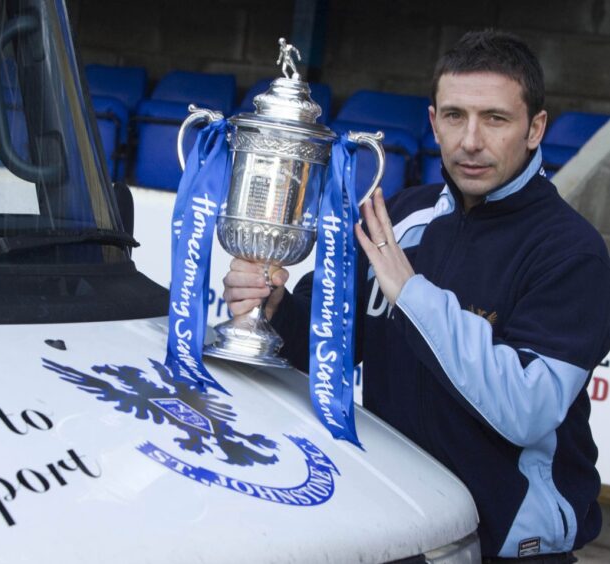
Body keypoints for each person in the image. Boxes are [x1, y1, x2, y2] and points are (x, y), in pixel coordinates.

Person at [223, 29, 610, 561]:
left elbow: (527, 409)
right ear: (433, 122)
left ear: (535, 128)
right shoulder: (400, 216)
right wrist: (271, 308)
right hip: (399, 527)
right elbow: (320, 348)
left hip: (510, 545)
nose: (470, 140)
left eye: (495, 118)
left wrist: (412, 294)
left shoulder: (571, 252)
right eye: (454, 116)